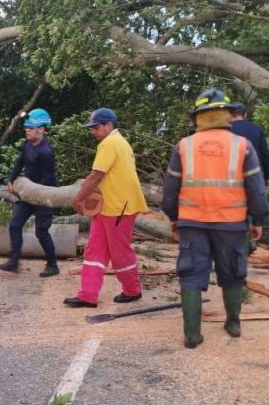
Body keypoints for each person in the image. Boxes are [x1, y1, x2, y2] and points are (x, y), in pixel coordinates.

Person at [161, 88, 267, 349]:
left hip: (192, 223)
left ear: (198, 116)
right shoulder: (243, 146)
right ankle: (233, 323)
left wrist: (175, 218)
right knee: (232, 274)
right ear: (227, 114)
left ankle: (192, 335)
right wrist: (257, 220)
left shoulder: (183, 146)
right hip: (231, 224)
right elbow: (256, 190)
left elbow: (170, 192)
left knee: (191, 275)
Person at [64, 108, 148, 308]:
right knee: (95, 249)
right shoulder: (119, 142)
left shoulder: (110, 143)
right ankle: (87, 295)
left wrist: (79, 199)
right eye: (92, 127)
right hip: (109, 206)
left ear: (109, 125)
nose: (93, 130)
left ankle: (132, 290)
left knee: (119, 251)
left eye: (96, 126)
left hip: (120, 207)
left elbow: (96, 175)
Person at [0, 108, 59, 277]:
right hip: (28, 195)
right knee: (15, 225)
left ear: (41, 129)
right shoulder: (28, 145)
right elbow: (20, 161)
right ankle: (13, 262)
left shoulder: (46, 152)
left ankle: (52, 265)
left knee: (41, 231)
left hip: (45, 196)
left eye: (30, 128)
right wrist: (11, 179)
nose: (27, 131)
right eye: (26, 128)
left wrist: (33, 192)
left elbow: (49, 179)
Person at [229, 102, 269, 184]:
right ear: (245, 114)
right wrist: (266, 177)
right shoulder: (257, 129)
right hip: (255, 174)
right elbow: (265, 154)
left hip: (232, 176)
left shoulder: (225, 130)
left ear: (230, 115)